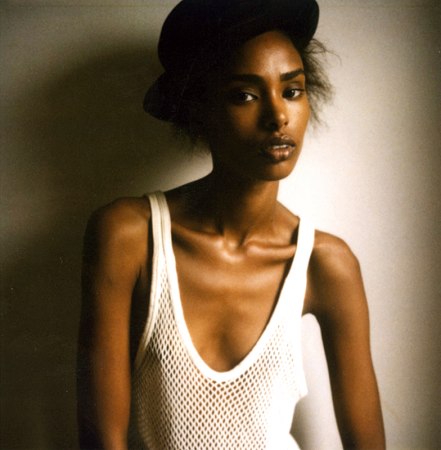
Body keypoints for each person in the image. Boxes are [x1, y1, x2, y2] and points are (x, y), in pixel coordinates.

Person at [77, 0, 386, 449]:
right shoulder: (129, 235)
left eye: (292, 90)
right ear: (198, 108)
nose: (278, 116)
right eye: (244, 94)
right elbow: (100, 439)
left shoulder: (326, 263)